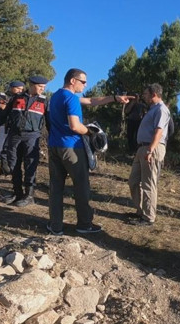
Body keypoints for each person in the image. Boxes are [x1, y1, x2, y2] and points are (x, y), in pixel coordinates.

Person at [46, 68, 133, 235]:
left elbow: (92, 101)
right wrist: (91, 132)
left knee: (56, 187)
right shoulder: (71, 99)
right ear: (73, 81)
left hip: (54, 146)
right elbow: (75, 126)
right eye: (83, 82)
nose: (86, 85)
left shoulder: (56, 96)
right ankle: (84, 224)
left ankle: (55, 226)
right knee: (81, 186)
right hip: (72, 148)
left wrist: (114, 98)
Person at [0, 75, 50, 207]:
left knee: (30, 165)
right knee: (14, 164)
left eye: (44, 87)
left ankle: (29, 195)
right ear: (31, 85)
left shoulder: (45, 101)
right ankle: (17, 193)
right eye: (40, 86)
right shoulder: (16, 98)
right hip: (15, 135)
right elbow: (4, 115)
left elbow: (49, 121)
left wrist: (52, 136)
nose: (42, 89)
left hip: (32, 137)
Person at [127, 83, 170, 226]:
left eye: (146, 94)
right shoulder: (152, 109)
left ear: (154, 94)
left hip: (151, 148)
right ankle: (141, 211)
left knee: (148, 184)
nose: (144, 96)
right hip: (142, 148)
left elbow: (159, 131)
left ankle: (148, 217)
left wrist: (151, 149)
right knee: (133, 181)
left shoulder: (161, 110)